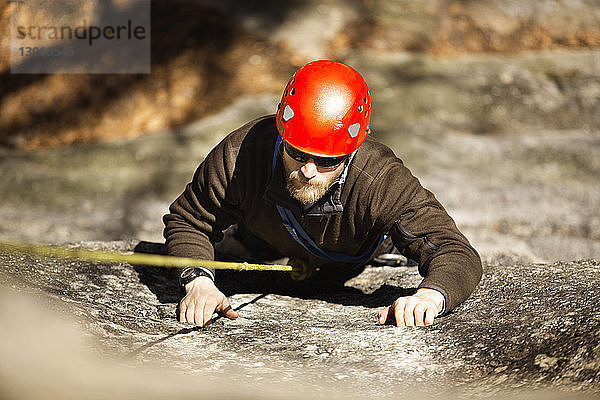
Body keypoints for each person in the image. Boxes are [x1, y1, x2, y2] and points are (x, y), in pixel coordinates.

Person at [163, 60, 482, 328]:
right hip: (259, 239)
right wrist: (198, 281)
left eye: (328, 160)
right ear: (282, 132)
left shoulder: (380, 180)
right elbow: (190, 219)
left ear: (353, 150)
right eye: (297, 153)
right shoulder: (241, 154)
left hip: (351, 253)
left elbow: (454, 251)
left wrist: (431, 295)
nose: (309, 170)